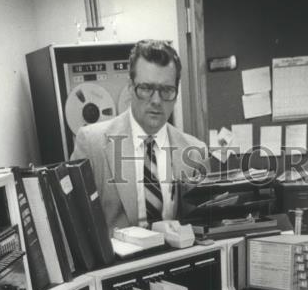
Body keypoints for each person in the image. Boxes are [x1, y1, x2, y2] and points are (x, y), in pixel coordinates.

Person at [71, 40, 207, 233]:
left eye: (166, 90)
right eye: (146, 88)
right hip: (120, 263)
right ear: (130, 87)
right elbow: (78, 229)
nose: (156, 100)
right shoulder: (91, 144)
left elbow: (201, 227)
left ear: (176, 94)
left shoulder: (195, 152)